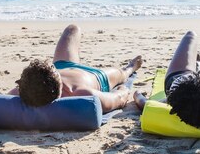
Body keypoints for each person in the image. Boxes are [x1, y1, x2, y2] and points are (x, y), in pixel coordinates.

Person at [9, 24, 142, 112]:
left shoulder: (22, 90)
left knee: (73, 29)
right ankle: (131, 66)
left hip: (62, 65)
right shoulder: (82, 93)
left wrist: (56, 68)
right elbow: (118, 100)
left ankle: (61, 65)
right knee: (122, 74)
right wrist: (123, 89)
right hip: (95, 77)